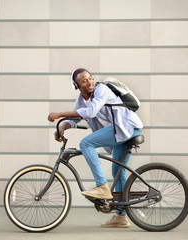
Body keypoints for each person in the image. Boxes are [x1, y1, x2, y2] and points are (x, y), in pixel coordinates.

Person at [47, 68, 143, 228]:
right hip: (121, 130)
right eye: (84, 81)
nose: (89, 82)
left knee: (86, 143)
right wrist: (63, 126)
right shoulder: (81, 100)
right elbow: (76, 117)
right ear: (76, 85)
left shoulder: (102, 89)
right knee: (117, 170)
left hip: (125, 127)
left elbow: (91, 112)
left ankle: (102, 187)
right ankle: (121, 216)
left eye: (90, 78)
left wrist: (59, 114)